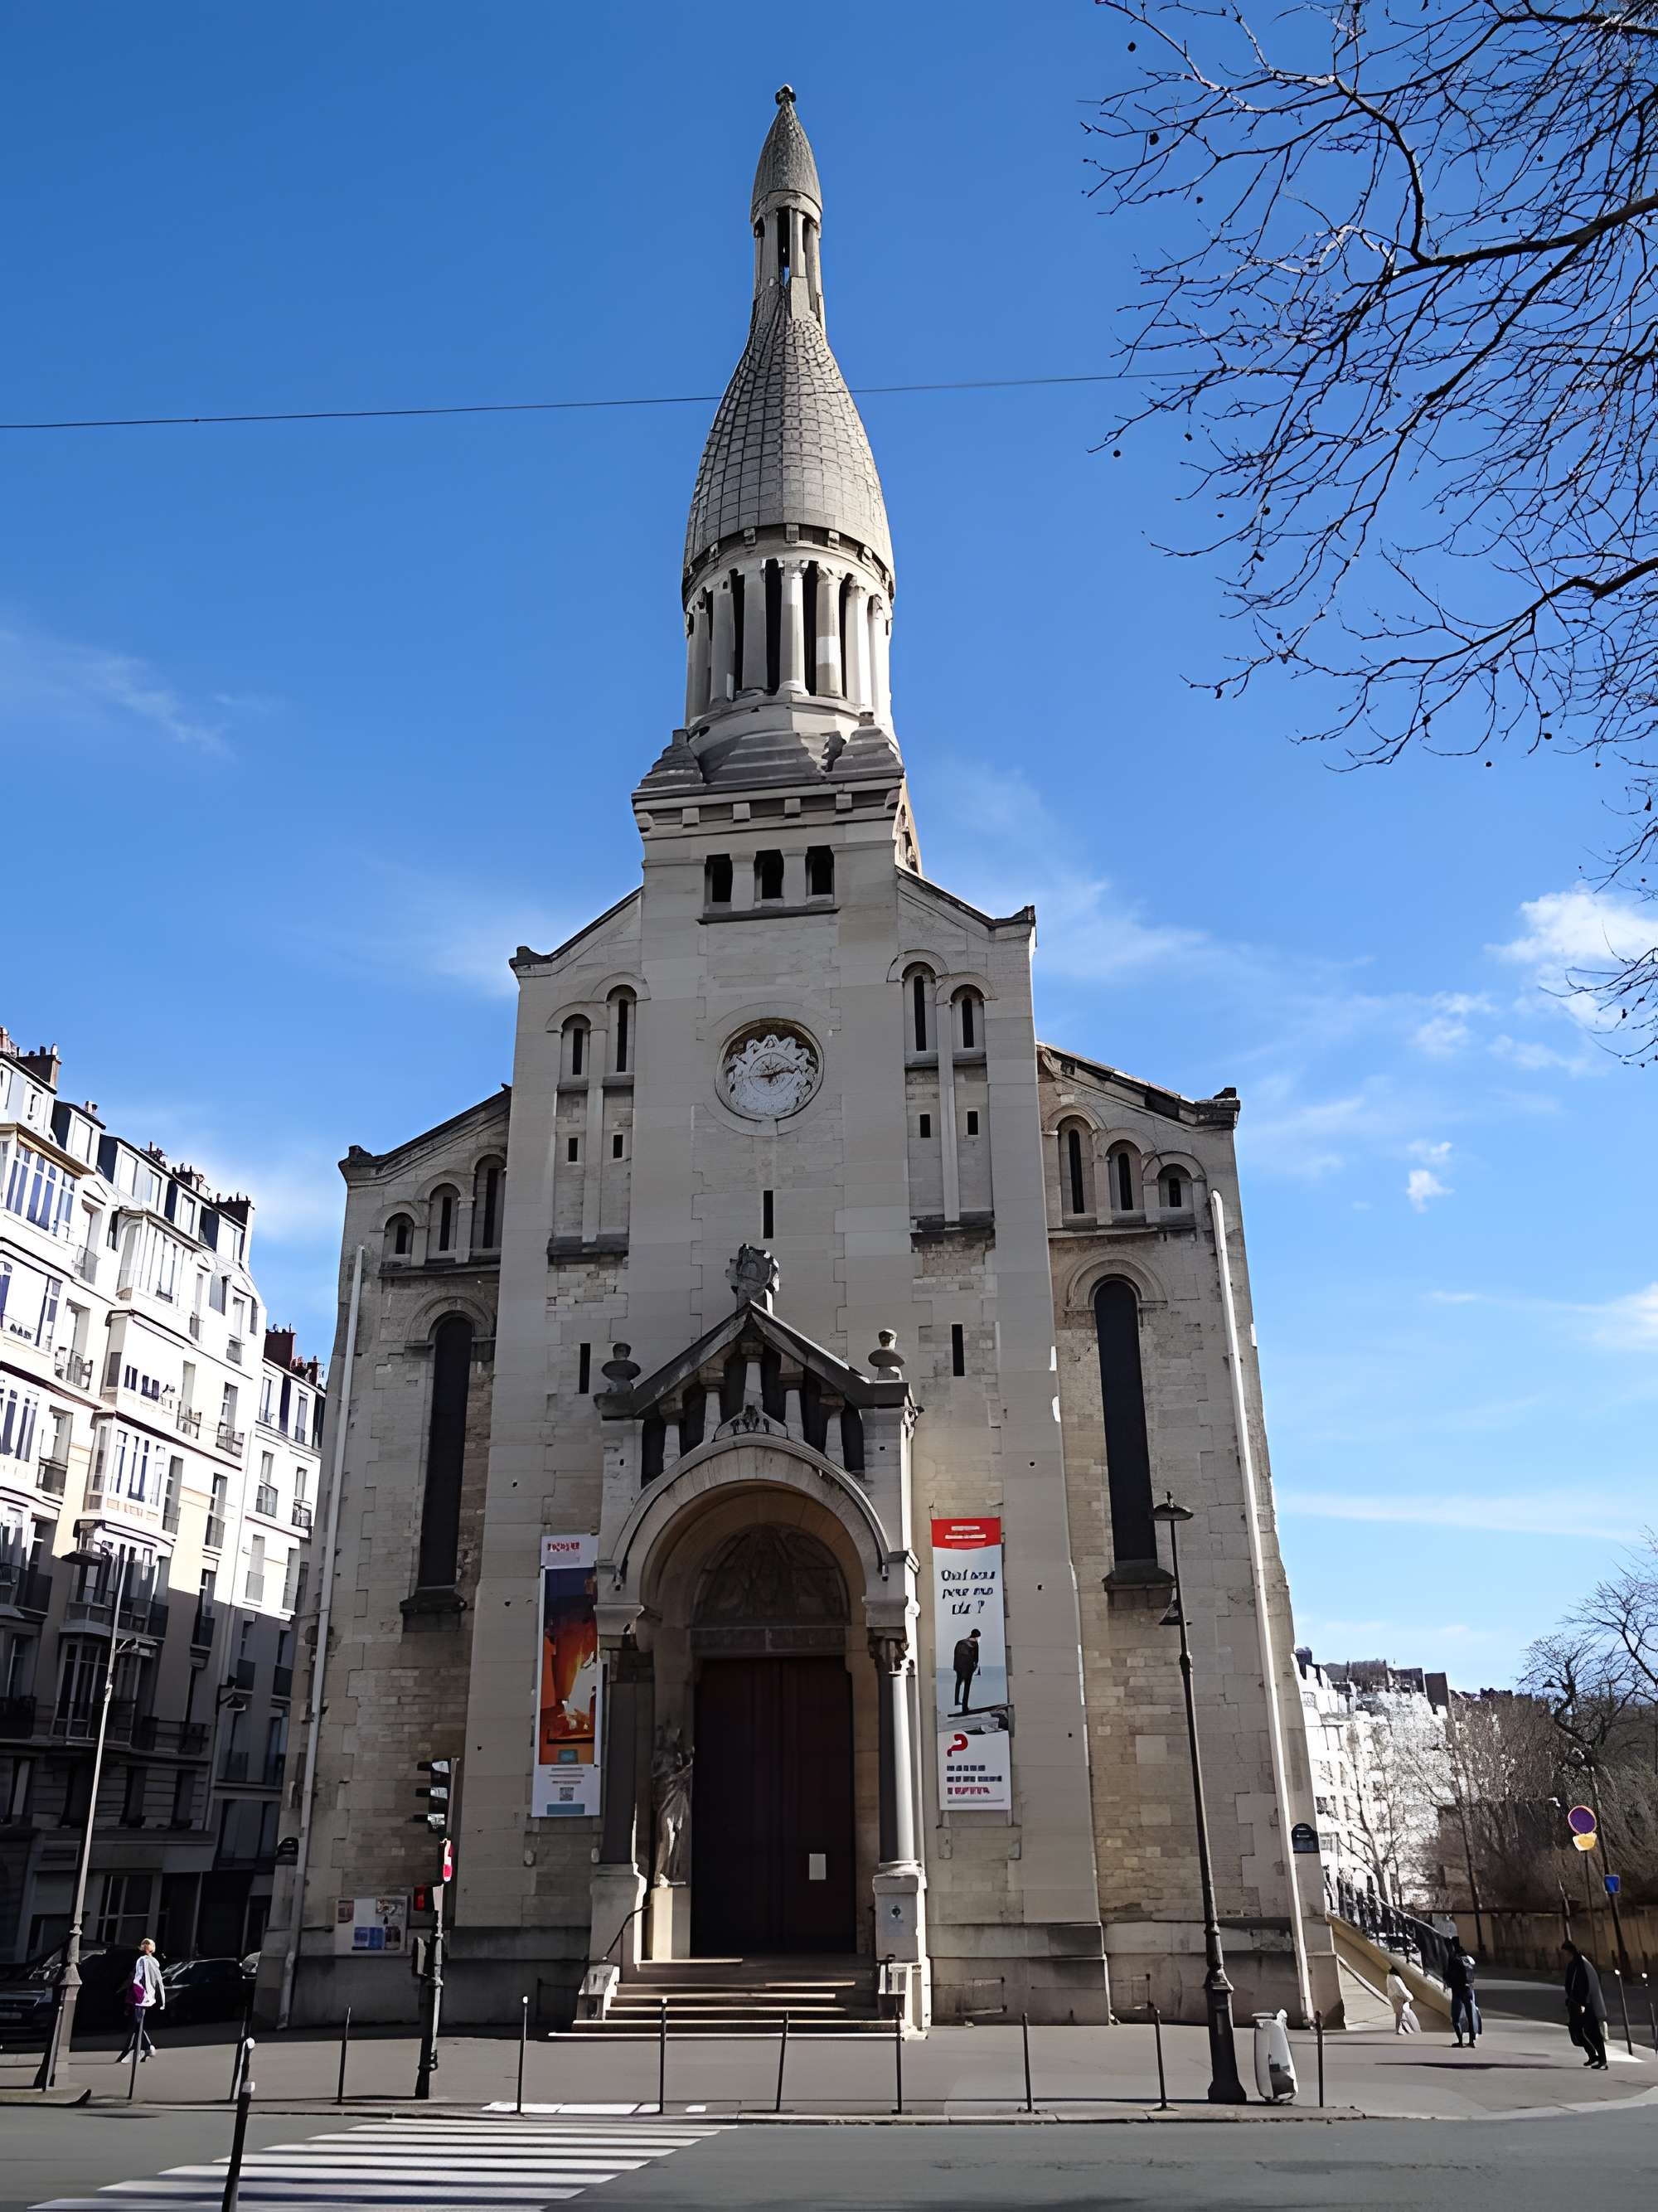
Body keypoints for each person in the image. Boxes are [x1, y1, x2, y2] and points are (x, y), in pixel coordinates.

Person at [1562, 1940, 1608, 2069]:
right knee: (1577, 2030)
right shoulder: (1574, 1964)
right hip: (1576, 2003)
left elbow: (1584, 1986)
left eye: (1565, 1953)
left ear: (1569, 1952)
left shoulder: (1580, 1965)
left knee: (1591, 2031)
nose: (1563, 1956)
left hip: (1583, 2004)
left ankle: (1601, 2059)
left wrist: (1582, 2003)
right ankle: (1593, 2055)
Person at [118, 1938, 165, 2064]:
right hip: (142, 1996)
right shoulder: (147, 1961)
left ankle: (146, 2048)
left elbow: (137, 1979)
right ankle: (138, 2049)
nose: (144, 1949)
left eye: (146, 1946)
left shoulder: (146, 1962)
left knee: (137, 2023)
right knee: (136, 2023)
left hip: (142, 1996)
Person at [1444, 1943, 1479, 2046]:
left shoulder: (1453, 1961)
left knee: (1455, 2018)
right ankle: (1471, 2042)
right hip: (1468, 1991)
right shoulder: (1469, 1960)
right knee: (1470, 2016)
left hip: (1458, 1992)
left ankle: (1460, 2042)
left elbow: (1447, 1975)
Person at [952, 1627, 982, 1714]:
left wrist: (956, 1667)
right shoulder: (975, 1644)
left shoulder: (960, 1642)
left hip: (959, 1667)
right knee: (967, 1687)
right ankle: (965, 1707)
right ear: (977, 1637)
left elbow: (955, 1655)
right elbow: (976, 1658)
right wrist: (974, 1667)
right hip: (968, 1668)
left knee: (958, 1683)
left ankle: (956, 1701)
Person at [1385, 1965, 1418, 2035]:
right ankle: (1405, 2029)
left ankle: (1400, 2029)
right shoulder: (1396, 1978)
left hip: (1392, 1997)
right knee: (1403, 2013)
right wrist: (1410, 1997)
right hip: (1399, 1998)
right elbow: (1402, 1989)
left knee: (1398, 2014)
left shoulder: (1389, 1977)